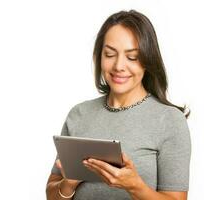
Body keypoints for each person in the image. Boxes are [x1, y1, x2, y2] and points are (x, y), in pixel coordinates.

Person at [46, 9, 191, 200]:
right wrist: (69, 182)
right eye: (109, 54)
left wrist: (135, 187)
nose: (119, 66)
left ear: (147, 60)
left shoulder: (170, 120)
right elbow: (51, 194)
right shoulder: (79, 114)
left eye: (132, 57)